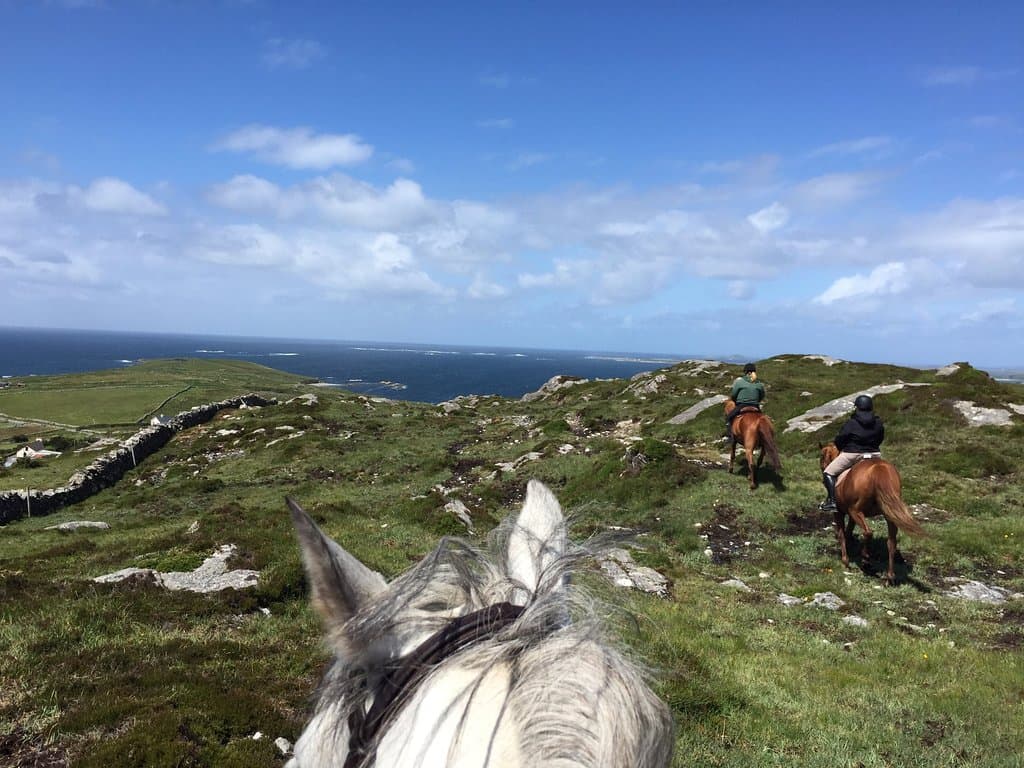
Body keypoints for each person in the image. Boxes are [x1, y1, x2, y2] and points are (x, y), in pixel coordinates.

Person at [819, 394, 884, 511]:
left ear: (857, 407)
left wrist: (842, 448)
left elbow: (840, 439)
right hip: (875, 454)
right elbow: (880, 438)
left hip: (853, 454)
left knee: (828, 472)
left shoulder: (851, 423)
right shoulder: (878, 422)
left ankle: (832, 502)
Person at [724, 363, 766, 442]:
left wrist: (735, 401)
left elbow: (734, 394)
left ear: (746, 372)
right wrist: (755, 401)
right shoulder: (759, 384)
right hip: (755, 406)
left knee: (729, 418)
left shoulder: (740, 382)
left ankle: (730, 437)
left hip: (742, 405)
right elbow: (762, 395)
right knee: (763, 419)